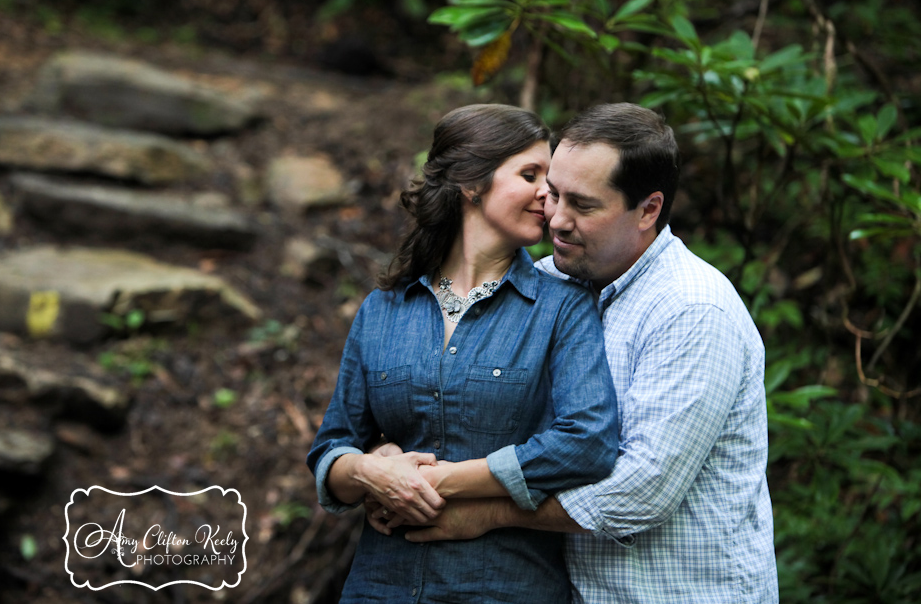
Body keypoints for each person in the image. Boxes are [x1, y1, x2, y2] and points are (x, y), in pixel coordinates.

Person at [379, 103, 779, 603]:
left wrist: (489, 511)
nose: (557, 221)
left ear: (648, 210)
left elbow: (640, 491)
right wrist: (386, 457)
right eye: (554, 194)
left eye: (584, 206)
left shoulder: (692, 309)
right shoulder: (546, 284)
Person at [307, 104, 620, 603]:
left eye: (553, 181)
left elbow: (588, 441)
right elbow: (332, 449)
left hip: (503, 586)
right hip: (379, 587)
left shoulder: (563, 308)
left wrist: (444, 482)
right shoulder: (384, 309)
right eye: (530, 174)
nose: (549, 195)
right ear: (471, 184)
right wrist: (370, 471)